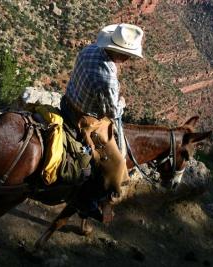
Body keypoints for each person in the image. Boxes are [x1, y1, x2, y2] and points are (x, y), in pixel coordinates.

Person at [60, 23, 144, 223]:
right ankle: (88, 203)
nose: (128, 59)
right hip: (85, 120)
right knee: (117, 165)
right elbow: (112, 112)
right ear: (123, 55)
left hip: (67, 103)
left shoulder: (90, 49)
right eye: (129, 56)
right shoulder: (107, 77)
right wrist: (122, 103)